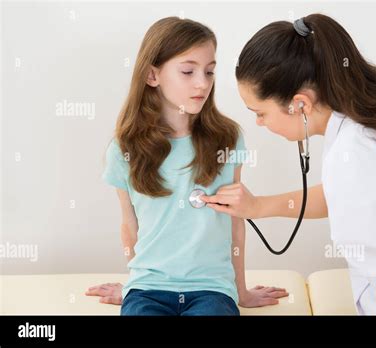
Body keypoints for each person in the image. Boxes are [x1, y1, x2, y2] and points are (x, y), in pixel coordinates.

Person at [201, 14, 376, 315]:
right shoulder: (366, 124)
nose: (258, 123)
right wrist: (258, 207)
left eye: (260, 112)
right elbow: (347, 196)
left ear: (300, 104)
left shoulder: (359, 153)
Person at [85, 17, 288, 315]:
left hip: (211, 289)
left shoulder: (227, 139)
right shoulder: (125, 148)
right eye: (188, 71)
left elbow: (235, 222)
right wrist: (132, 284)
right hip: (148, 289)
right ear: (152, 75)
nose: (202, 83)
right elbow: (130, 226)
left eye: (209, 71)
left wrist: (240, 290)